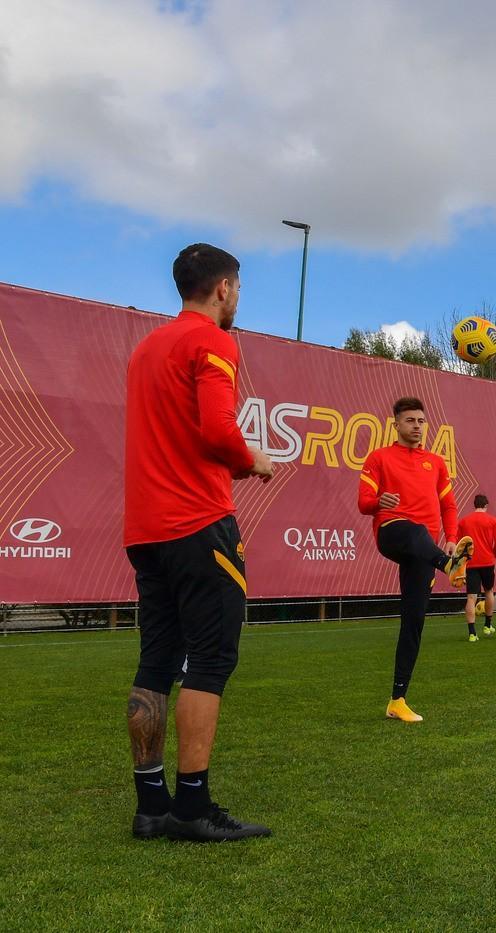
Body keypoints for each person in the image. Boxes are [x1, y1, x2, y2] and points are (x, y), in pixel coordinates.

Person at [124, 243, 274, 841]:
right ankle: (191, 808)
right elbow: (216, 429)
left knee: (156, 661)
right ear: (224, 289)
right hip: (198, 521)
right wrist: (252, 460)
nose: (237, 298)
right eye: (238, 289)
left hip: (147, 529)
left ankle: (150, 806)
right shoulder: (213, 340)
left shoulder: (146, 348)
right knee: (210, 661)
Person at [359, 398, 473, 722]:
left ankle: (397, 699)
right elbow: (363, 502)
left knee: (414, 621)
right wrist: (380, 500)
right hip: (392, 532)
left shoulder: (436, 463)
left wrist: (451, 539)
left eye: (421, 420)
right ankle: (449, 565)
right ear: (396, 424)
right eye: (410, 420)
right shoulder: (379, 458)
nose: (417, 426)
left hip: (427, 548)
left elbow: (449, 507)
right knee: (413, 529)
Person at [455, 494, 496, 641]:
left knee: (471, 597)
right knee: (489, 591)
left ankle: (472, 633)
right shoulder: (493, 520)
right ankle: (488, 626)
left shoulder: (463, 521)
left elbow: (459, 546)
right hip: (488, 562)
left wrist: (460, 565)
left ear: (474, 505)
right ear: (486, 505)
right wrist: (492, 555)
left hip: (471, 564)